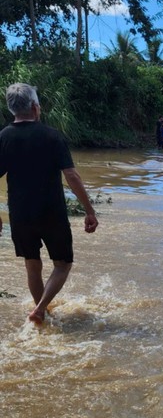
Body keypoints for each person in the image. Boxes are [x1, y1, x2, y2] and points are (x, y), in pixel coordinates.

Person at [0, 83, 98, 325]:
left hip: (20, 213)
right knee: (63, 265)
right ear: (35, 107)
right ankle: (41, 309)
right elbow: (72, 176)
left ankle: (41, 311)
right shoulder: (52, 136)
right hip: (51, 212)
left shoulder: (3, 137)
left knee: (32, 265)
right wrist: (89, 211)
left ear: (12, 109)